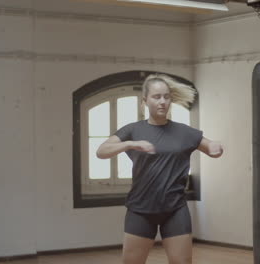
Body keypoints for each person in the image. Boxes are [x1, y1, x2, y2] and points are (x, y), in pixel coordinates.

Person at [96, 73, 224, 264]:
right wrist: (130, 144)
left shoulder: (184, 132)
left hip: (175, 209)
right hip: (140, 209)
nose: (162, 102)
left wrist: (215, 147)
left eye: (166, 96)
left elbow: (210, 147)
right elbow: (101, 151)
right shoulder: (133, 130)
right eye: (157, 97)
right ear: (145, 101)